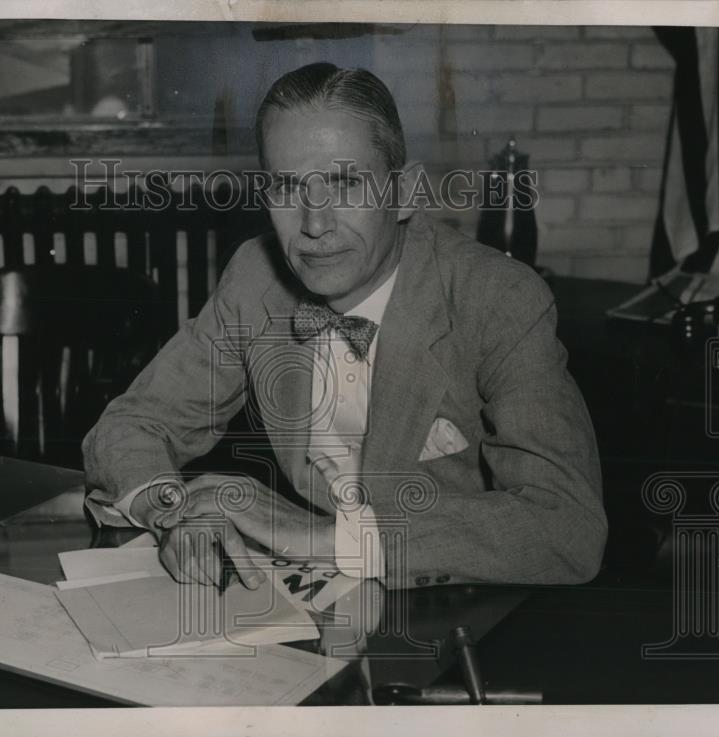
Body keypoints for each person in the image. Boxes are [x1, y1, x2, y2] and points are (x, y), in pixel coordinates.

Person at [82, 62, 607, 591]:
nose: (314, 224)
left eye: (345, 184)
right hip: (309, 609)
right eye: (288, 188)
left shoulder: (497, 298)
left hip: (452, 610)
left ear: (404, 192)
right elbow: (131, 426)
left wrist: (321, 537)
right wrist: (177, 513)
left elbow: (568, 527)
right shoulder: (255, 277)